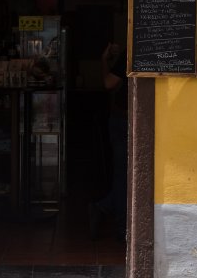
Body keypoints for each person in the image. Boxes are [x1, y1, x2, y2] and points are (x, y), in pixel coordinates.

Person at [89, 42, 128, 242]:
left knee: (124, 175)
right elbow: (109, 84)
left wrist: (105, 60)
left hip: (122, 118)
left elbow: (109, 83)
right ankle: (121, 224)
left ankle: (104, 207)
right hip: (125, 120)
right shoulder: (139, 50)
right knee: (125, 175)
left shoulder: (132, 50)